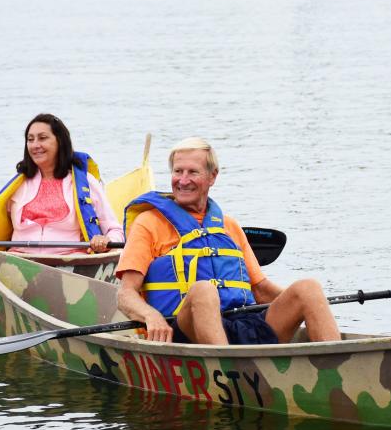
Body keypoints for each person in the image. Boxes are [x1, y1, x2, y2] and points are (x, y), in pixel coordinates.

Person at [116, 137, 341, 345]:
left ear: (212, 176)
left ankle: (337, 364)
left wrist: (313, 307)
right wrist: (151, 316)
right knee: (204, 290)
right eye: (177, 171)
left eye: (192, 172)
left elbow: (260, 290)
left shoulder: (228, 226)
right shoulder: (148, 223)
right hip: (185, 331)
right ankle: (226, 370)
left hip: (243, 324)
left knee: (308, 288)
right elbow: (126, 294)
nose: (183, 181)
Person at [0, 113, 124, 255]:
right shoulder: (19, 183)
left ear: (60, 142)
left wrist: (105, 241)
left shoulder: (86, 182)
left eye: (42, 138)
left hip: (71, 261)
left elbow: (115, 230)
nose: (35, 145)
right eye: (30, 139)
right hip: (18, 259)